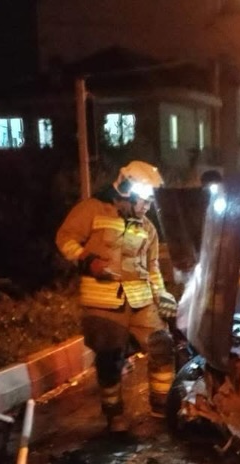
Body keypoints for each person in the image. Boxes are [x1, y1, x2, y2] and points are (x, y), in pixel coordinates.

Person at [56, 160, 178, 433]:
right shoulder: (92, 210)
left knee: (162, 345)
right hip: (102, 302)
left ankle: (162, 407)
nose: (147, 208)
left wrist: (162, 295)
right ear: (127, 193)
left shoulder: (147, 228)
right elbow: (65, 238)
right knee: (109, 357)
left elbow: (153, 266)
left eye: (149, 203)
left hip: (141, 299)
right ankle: (114, 415)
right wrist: (87, 262)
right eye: (143, 201)